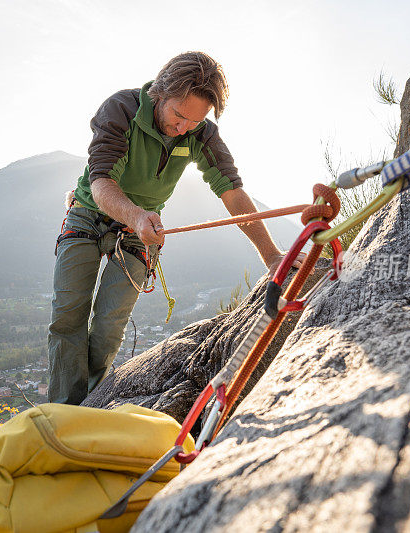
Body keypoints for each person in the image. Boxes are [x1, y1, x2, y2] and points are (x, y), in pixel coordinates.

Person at [48, 51, 299, 405]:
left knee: (107, 329)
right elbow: (102, 182)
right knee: (67, 317)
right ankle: (62, 412)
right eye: (178, 116)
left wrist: (271, 255)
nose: (183, 129)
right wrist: (135, 216)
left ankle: (87, 408)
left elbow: (232, 191)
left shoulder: (201, 133)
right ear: (159, 93)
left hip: (140, 230)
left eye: (193, 122)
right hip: (91, 213)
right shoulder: (121, 109)